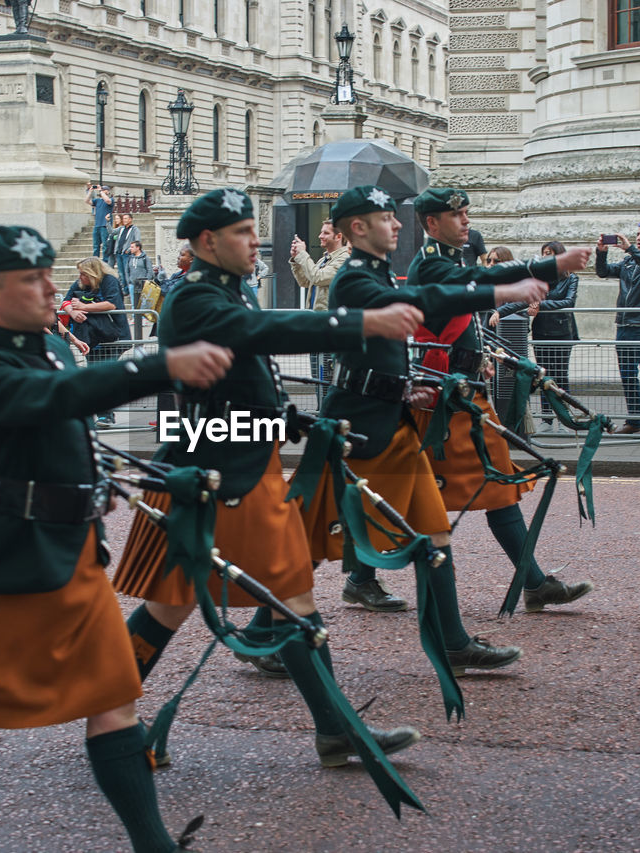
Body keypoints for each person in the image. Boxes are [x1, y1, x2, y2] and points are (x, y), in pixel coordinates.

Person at [0, 224, 231, 853]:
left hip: (72, 554)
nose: (48, 287)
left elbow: (69, 431)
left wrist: (100, 484)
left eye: (47, 274)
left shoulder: (55, 346)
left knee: (115, 701)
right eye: (31, 280)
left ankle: (154, 845)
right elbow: (56, 397)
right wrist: (160, 364)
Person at [112, 187, 429, 768]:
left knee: (289, 600)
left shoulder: (228, 291)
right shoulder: (192, 301)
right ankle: (108, 720)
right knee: (175, 606)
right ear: (208, 242)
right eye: (242, 232)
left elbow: (245, 381)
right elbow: (267, 336)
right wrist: (359, 320)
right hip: (211, 475)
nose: (256, 239)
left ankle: (335, 730)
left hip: (236, 469)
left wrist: (289, 421)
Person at [294, 185, 546, 672]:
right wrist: (511, 286)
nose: (395, 225)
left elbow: (385, 347)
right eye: (385, 218)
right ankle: (269, 627)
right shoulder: (352, 279)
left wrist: (406, 387)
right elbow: (424, 296)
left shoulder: (377, 271)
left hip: (389, 421)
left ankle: (452, 640)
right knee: (309, 540)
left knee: (432, 536)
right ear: (357, 229)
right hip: (357, 427)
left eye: (394, 217)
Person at [401, 189, 594, 616]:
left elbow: (463, 314)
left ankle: (535, 582)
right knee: (393, 491)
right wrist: (547, 268)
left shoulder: (451, 259)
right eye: (457, 215)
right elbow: (474, 290)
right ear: (432, 223)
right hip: (440, 403)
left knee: (495, 487)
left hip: (461, 391)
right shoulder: (432, 263)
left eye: (467, 213)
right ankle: (357, 581)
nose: (466, 221)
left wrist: (479, 358)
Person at [491, 241, 580, 433]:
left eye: (550, 253)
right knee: (542, 374)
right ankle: (547, 419)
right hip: (541, 330)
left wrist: (541, 306)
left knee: (561, 375)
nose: (546, 256)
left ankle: (565, 419)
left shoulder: (570, 278)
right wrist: (501, 312)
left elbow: (568, 301)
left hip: (562, 331)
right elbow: (522, 302)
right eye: (544, 253)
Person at [596, 221, 640, 435]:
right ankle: (634, 421)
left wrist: (631, 250)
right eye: (637, 234)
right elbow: (603, 272)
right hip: (624, 325)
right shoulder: (628, 262)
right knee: (627, 375)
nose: (639, 238)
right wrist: (601, 253)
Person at [63, 257, 132, 428]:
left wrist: (83, 307)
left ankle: (105, 414)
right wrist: (72, 312)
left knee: (103, 375)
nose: (80, 277)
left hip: (114, 336)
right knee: (97, 376)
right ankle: (103, 413)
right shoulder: (79, 284)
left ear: (92, 273)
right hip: (92, 339)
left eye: (83, 274)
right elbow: (66, 300)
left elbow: (111, 304)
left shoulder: (109, 281)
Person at [290, 220, 350, 401]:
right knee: (318, 378)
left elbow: (318, 277)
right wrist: (295, 260)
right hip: (317, 327)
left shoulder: (343, 259)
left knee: (328, 380)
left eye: (325, 233)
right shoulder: (324, 258)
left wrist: (302, 255)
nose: (320, 236)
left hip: (330, 330)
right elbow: (305, 282)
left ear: (339, 236)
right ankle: (320, 412)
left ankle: (328, 416)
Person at [122, 239, 152, 337]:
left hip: (143, 283)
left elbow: (149, 270)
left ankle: (144, 318)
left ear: (138, 248)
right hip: (132, 283)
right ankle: (135, 317)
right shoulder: (130, 258)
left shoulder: (145, 258)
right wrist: (128, 280)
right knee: (133, 301)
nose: (130, 249)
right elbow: (127, 270)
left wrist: (147, 280)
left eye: (132, 247)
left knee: (143, 301)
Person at [86, 183, 114, 261]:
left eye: (104, 190)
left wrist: (100, 191)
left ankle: (105, 261)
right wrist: (90, 191)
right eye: (102, 190)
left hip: (105, 226)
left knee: (105, 245)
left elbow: (107, 201)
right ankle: (95, 260)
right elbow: (87, 201)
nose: (102, 191)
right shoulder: (97, 201)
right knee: (96, 245)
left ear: (108, 191)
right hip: (97, 225)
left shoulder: (111, 199)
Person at [114, 213, 142, 289]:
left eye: (126, 218)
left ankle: (129, 288)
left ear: (130, 219)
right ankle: (124, 288)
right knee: (121, 273)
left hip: (127, 254)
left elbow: (137, 240)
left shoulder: (134, 229)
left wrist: (129, 250)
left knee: (127, 272)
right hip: (119, 253)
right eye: (123, 218)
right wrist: (107, 222)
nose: (124, 220)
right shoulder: (121, 228)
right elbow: (111, 232)